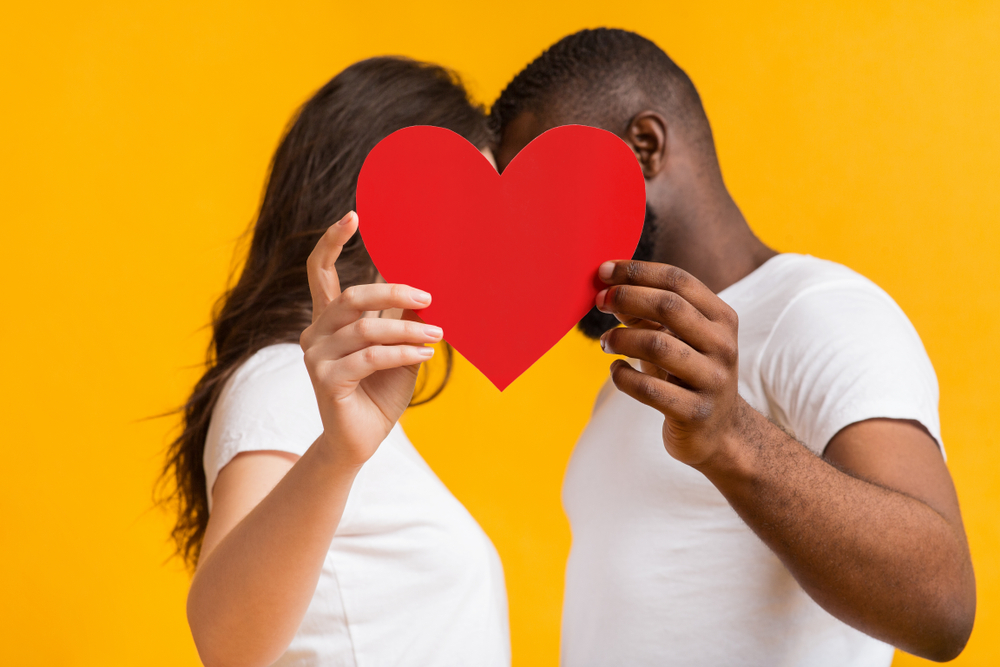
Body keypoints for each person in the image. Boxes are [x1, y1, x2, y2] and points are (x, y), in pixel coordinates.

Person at [492, 28, 975, 666]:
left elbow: (943, 609)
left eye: (545, 197)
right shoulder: (646, 369)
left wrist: (732, 438)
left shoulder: (821, 312)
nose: (530, 243)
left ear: (644, 147)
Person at [161, 57, 509, 667]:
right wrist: (336, 454)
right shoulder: (285, 383)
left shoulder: (318, 391)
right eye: (472, 208)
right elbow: (227, 644)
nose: (489, 248)